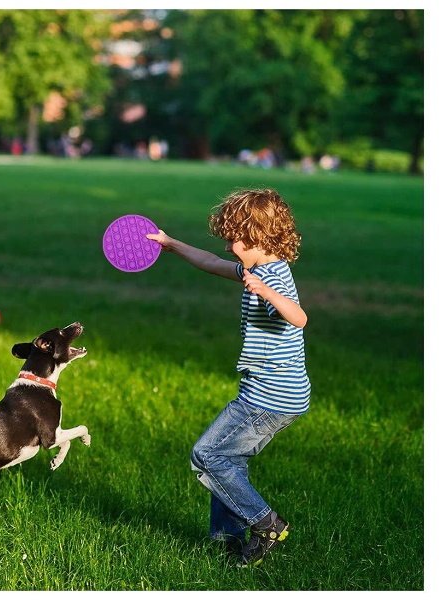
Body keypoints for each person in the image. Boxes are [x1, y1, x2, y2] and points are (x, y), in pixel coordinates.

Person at [146, 188, 310, 567]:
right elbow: (209, 262)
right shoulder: (258, 267)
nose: (230, 247)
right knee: (229, 459)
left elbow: (300, 318)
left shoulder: (274, 280)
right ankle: (227, 540)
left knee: (207, 455)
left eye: (237, 240)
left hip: (269, 398)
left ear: (262, 239)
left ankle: (266, 523)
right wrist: (171, 243)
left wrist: (268, 293)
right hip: (274, 393)